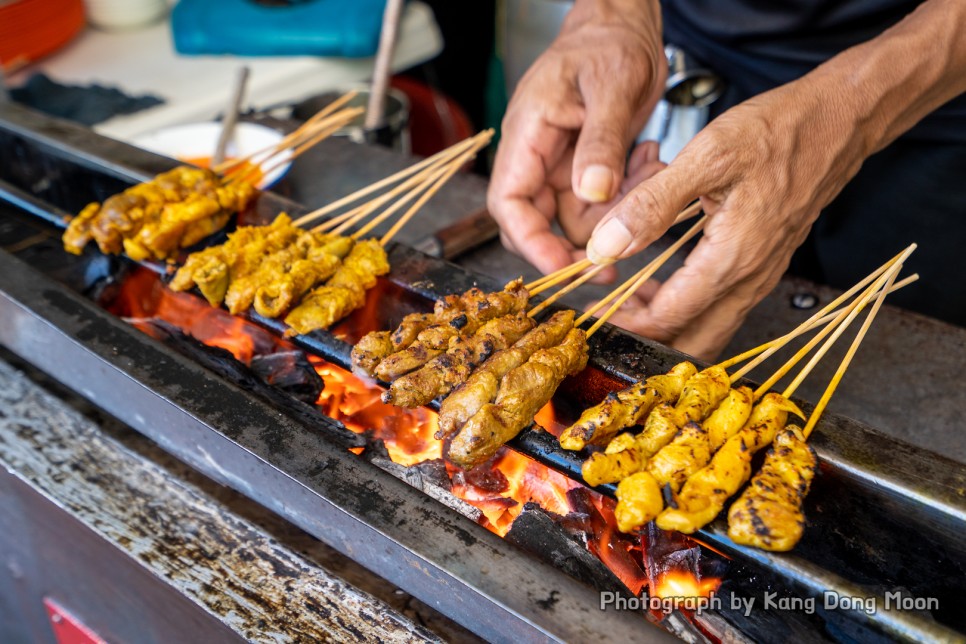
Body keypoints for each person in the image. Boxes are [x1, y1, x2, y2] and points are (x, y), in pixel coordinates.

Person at [487, 0, 966, 361]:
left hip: (936, 100)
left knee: (891, 353)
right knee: (682, 304)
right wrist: (609, 13)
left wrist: (850, 113)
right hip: (700, 68)